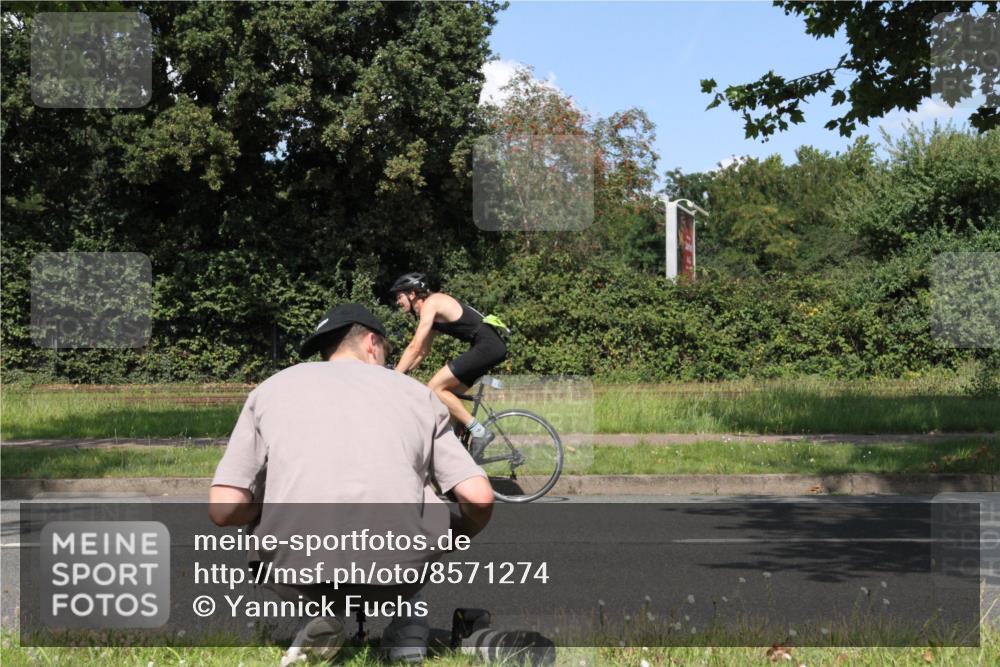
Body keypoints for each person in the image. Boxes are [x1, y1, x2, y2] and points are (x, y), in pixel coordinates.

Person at [209, 303, 494, 664]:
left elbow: (223, 507)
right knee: (418, 498)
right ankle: (409, 626)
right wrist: (457, 535)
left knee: (280, 499)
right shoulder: (416, 394)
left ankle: (318, 616)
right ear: (372, 342)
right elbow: (479, 497)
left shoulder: (271, 390)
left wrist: (268, 506)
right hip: (397, 571)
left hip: (296, 569)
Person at [389, 272, 508, 456]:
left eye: (399, 296)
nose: (398, 301)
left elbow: (414, 346)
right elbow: (422, 351)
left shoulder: (432, 303)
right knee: (443, 397)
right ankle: (462, 439)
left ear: (412, 294)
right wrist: (406, 371)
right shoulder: (429, 311)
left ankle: (479, 432)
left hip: (487, 346)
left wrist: (394, 376)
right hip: (486, 347)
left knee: (435, 388)